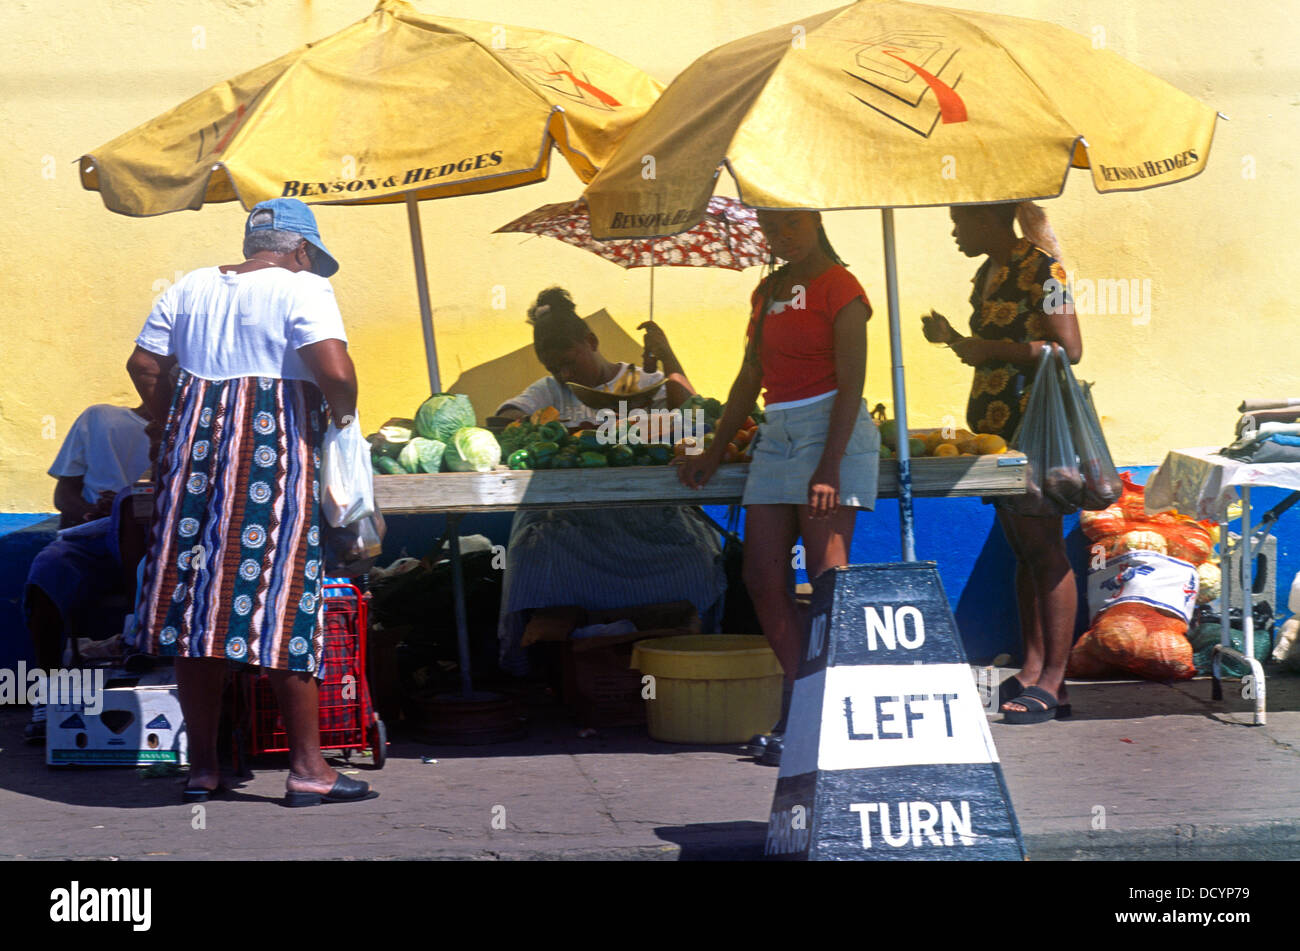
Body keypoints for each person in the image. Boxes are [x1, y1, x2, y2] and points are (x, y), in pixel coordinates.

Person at [126, 197, 376, 806]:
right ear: (302, 251)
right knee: (282, 598)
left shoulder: (188, 287)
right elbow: (336, 373)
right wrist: (342, 421)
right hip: (273, 454)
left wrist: (172, 421)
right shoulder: (303, 288)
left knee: (196, 611)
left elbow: (143, 365)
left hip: (190, 460)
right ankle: (309, 770)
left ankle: (203, 769)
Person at [677, 210, 879, 764]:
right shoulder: (766, 290)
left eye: (789, 225)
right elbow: (750, 375)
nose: (779, 237)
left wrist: (830, 466)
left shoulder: (842, 287)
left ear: (814, 220)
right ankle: (812, 705)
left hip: (830, 432)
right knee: (761, 576)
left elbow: (852, 382)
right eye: (770, 227)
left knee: (826, 583)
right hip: (776, 434)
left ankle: (820, 716)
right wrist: (713, 454)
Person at [495, 287, 726, 673]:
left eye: (569, 362)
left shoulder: (643, 382)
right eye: (554, 368)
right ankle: (551, 663)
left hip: (650, 519)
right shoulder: (550, 391)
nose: (564, 374)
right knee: (529, 554)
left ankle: (686, 647)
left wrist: (666, 355)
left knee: (696, 558)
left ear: (591, 341)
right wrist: (553, 428)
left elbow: (693, 416)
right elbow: (504, 417)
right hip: (575, 522)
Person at [921, 201, 1082, 724]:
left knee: (1046, 549)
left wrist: (989, 345)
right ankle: (1033, 666)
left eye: (958, 222)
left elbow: (1069, 348)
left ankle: (1055, 682)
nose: (951, 232)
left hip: (1035, 430)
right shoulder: (983, 276)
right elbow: (993, 350)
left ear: (990, 220)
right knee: (1022, 550)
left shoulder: (1044, 269)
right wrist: (956, 341)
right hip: (999, 433)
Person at [22, 401, 153, 742]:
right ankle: (48, 689)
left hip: (158, 540)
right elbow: (64, 492)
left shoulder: (194, 423)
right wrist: (88, 511)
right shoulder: (100, 418)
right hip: (94, 536)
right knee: (47, 570)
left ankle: (135, 638)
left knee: (130, 513)